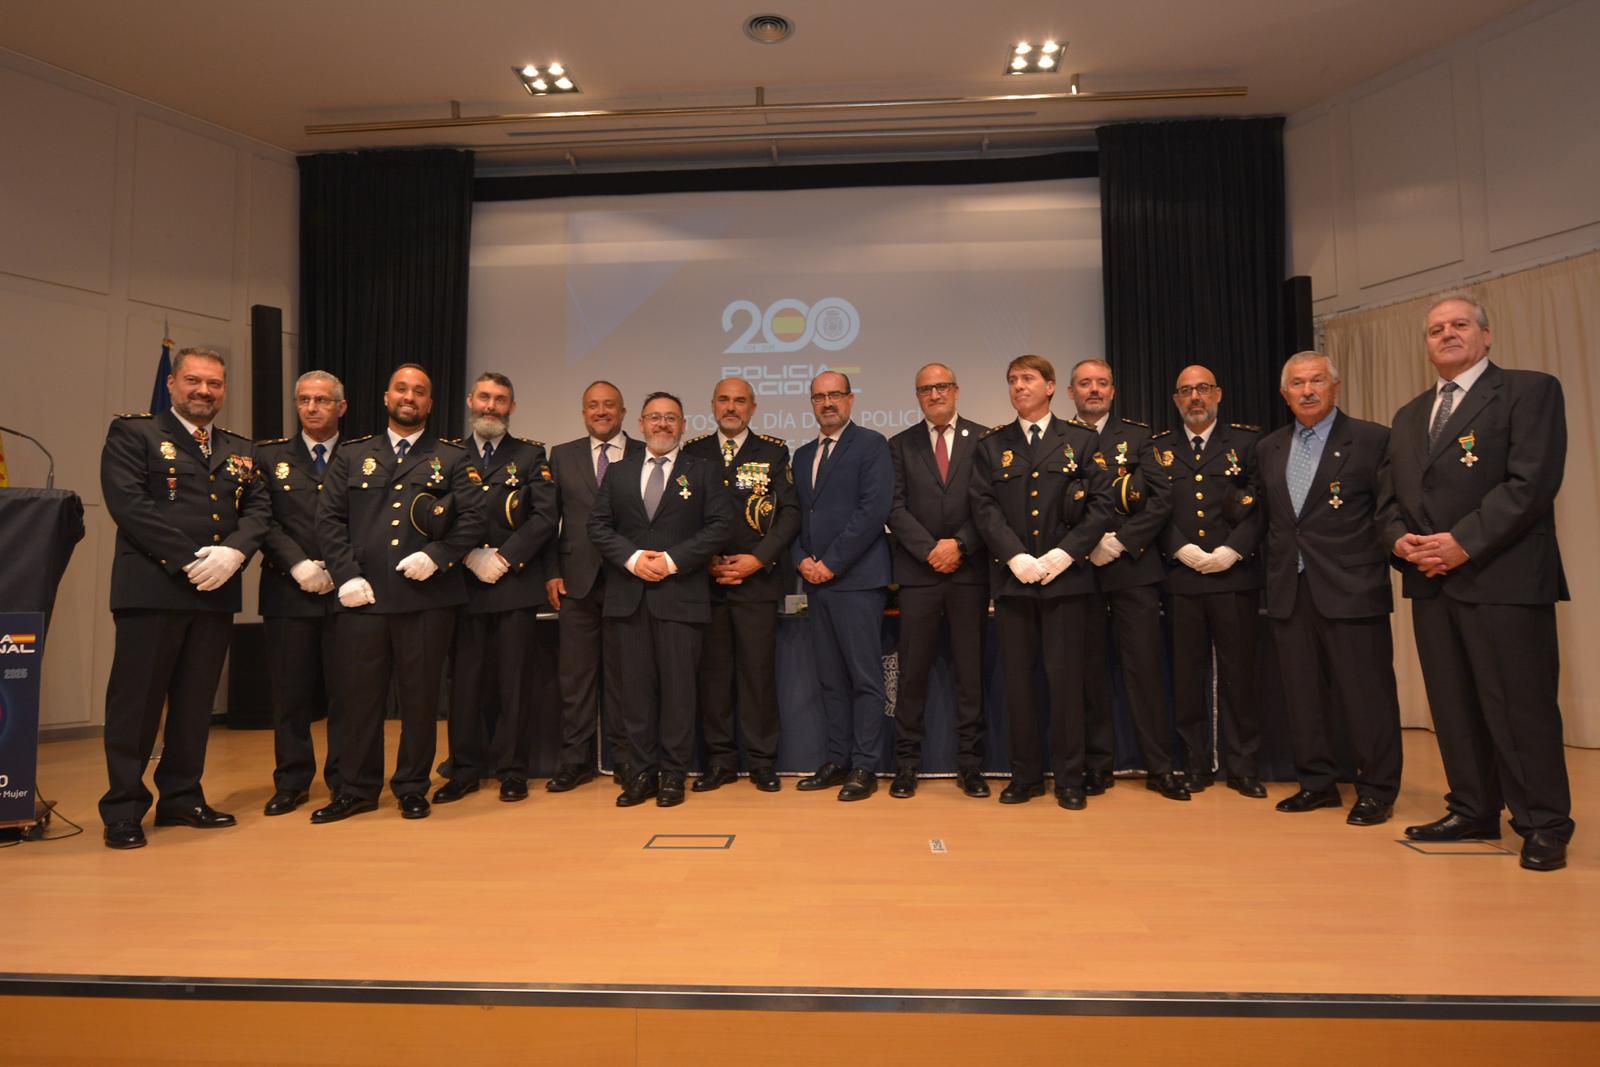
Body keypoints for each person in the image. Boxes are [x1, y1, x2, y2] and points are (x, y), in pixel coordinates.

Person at [1379, 295, 1572, 872]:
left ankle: (1543, 823)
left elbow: (1531, 483)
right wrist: (1400, 542)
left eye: (1460, 325)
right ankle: (1473, 807)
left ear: (1487, 336)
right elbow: (1390, 501)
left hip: (1504, 579)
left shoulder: (1530, 391)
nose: (1447, 334)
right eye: (1436, 330)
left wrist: (1462, 543)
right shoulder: (1410, 416)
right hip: (1433, 582)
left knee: (1520, 707)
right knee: (1453, 704)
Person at [98, 346, 269, 849]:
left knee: (195, 704)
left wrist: (234, 555)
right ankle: (124, 809)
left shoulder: (242, 449)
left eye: (214, 384)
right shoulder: (134, 434)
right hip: (153, 589)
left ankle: (181, 797)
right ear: (172, 384)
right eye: (194, 381)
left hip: (215, 592)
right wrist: (191, 559)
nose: (204, 391)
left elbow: (259, 511)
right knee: (137, 704)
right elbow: (130, 505)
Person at [311, 364, 485, 823]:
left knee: (421, 699)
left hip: (427, 599)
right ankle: (356, 788)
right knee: (358, 699)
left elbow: (473, 518)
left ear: (431, 403)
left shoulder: (451, 457)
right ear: (387, 396)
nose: (410, 397)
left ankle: (412, 785)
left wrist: (440, 556)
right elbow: (327, 519)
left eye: (420, 392)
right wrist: (346, 575)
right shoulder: (352, 455)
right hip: (362, 598)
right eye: (402, 389)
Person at [1259, 352, 1403, 826]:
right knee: (1302, 695)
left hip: (1351, 586)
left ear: (1335, 386)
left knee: (1367, 696)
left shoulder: (1372, 439)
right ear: (1284, 394)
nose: (1307, 390)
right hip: (1289, 588)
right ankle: (1317, 783)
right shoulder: (1270, 447)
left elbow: (1387, 512)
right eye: (1297, 384)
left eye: (1316, 380)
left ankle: (1377, 789)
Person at [971, 354, 1111, 810]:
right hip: (1014, 585)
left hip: (1066, 584)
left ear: (1051, 387)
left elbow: (1102, 505)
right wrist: (1014, 557)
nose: (1018, 387)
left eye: (1028, 379)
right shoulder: (993, 445)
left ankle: (1069, 778)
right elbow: (984, 508)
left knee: (1066, 684)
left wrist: (1062, 554)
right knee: (1020, 685)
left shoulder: (1082, 440)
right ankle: (1025, 776)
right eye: (1012, 380)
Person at [588, 392, 733, 807]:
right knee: (634, 694)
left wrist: (672, 561)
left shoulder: (703, 471)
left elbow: (721, 526)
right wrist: (633, 559)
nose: (663, 425)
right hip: (628, 598)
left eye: (671, 418)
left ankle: (673, 775)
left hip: (681, 597)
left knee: (678, 693)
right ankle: (641, 773)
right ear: (641, 423)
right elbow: (597, 527)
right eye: (655, 417)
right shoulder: (617, 472)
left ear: (684, 425)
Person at [433, 372, 557, 805]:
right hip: (462, 585)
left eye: (500, 399)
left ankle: (512, 770)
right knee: (464, 683)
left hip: (514, 584)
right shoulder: (446, 455)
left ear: (512, 407)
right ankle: (465, 769)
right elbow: (433, 514)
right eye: (484, 397)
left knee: (513, 683)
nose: (491, 406)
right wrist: (466, 555)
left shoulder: (529, 455)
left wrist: (503, 557)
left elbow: (544, 517)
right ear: (471, 401)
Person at [1068, 358, 1186, 801]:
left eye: (1101, 383)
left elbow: (1161, 499)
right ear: (1071, 393)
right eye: (1085, 384)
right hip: (1080, 573)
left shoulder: (1138, 437)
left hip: (1133, 569)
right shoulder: (1061, 437)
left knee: (1145, 672)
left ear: (1113, 391)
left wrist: (1118, 541)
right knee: (1090, 673)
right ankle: (1098, 767)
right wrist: (1084, 545)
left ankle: (1160, 767)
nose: (1093, 390)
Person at [682, 377, 799, 793]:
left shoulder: (772, 451)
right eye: (724, 400)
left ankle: (763, 761)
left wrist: (757, 559)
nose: (731, 408)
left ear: (753, 408)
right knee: (714, 678)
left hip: (757, 582)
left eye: (740, 401)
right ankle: (720, 761)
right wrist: (704, 560)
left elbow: (788, 515)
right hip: (707, 583)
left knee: (757, 676)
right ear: (712, 405)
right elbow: (683, 516)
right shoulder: (692, 452)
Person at [1158, 364, 1266, 798]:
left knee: (1240, 675)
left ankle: (1243, 766)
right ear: (1176, 400)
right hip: (1181, 579)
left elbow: (1262, 505)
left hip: (1233, 576)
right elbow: (1152, 507)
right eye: (1186, 391)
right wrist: (1178, 547)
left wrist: (1234, 549)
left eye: (1202, 389)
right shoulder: (1159, 449)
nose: (1195, 398)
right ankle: (1195, 763)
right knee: (1186, 677)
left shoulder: (1247, 443)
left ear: (1217, 394)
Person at [885, 362, 990, 799]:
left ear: (957, 389)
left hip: (968, 575)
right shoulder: (899, 445)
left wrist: (960, 545)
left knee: (971, 674)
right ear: (917, 396)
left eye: (942, 386)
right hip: (918, 575)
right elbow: (893, 507)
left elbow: (989, 505)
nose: (935, 394)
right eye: (926, 389)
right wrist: (931, 548)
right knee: (913, 674)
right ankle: (907, 764)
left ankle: (971, 765)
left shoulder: (985, 439)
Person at [791, 372, 896, 801]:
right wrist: (800, 560)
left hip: (856, 582)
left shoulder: (872, 445)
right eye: (819, 396)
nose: (827, 402)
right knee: (830, 679)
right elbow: (794, 515)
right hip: (816, 584)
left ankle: (865, 765)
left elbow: (873, 512)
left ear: (851, 399)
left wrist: (830, 564)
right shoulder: (800, 455)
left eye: (835, 395)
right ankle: (837, 759)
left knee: (864, 678)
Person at [541, 381, 645, 791]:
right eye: (592, 406)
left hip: (628, 581)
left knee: (624, 677)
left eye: (609, 405)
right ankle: (575, 761)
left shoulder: (643, 452)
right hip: (575, 582)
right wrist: (551, 571)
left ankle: (624, 759)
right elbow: (550, 521)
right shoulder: (562, 456)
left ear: (622, 411)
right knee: (576, 678)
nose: (601, 412)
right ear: (584, 413)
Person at [254, 370, 345, 816]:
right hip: (289, 590)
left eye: (323, 400)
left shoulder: (360, 455)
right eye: (305, 400)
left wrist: (342, 567)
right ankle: (291, 781)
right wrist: (298, 563)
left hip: (348, 591)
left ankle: (344, 779)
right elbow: (261, 519)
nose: (312, 407)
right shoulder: (268, 458)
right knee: (289, 695)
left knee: (347, 694)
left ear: (340, 407)